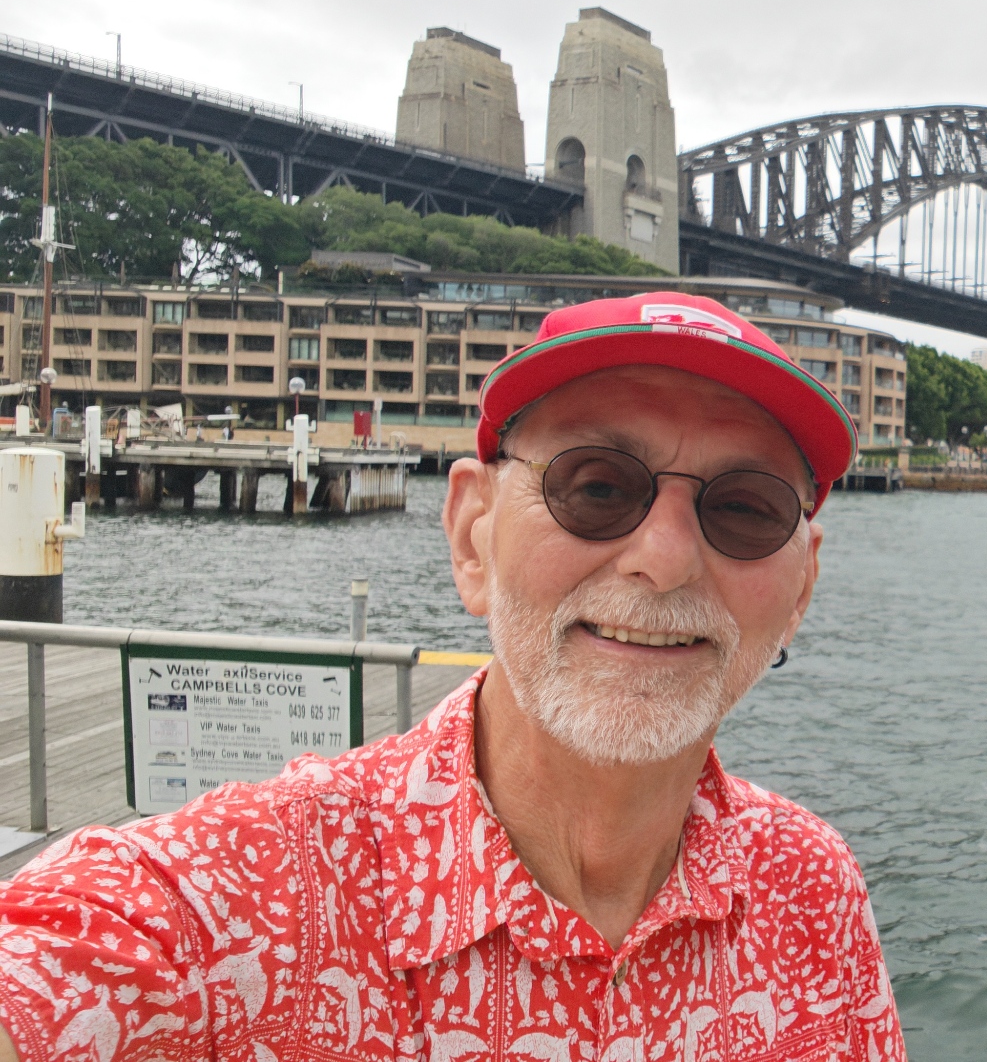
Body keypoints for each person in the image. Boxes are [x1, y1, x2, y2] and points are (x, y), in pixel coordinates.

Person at [0, 293, 904, 1060]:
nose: (664, 559)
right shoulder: (235, 902)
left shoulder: (813, 888)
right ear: (473, 535)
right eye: (596, 487)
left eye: (745, 508)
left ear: (799, 591)